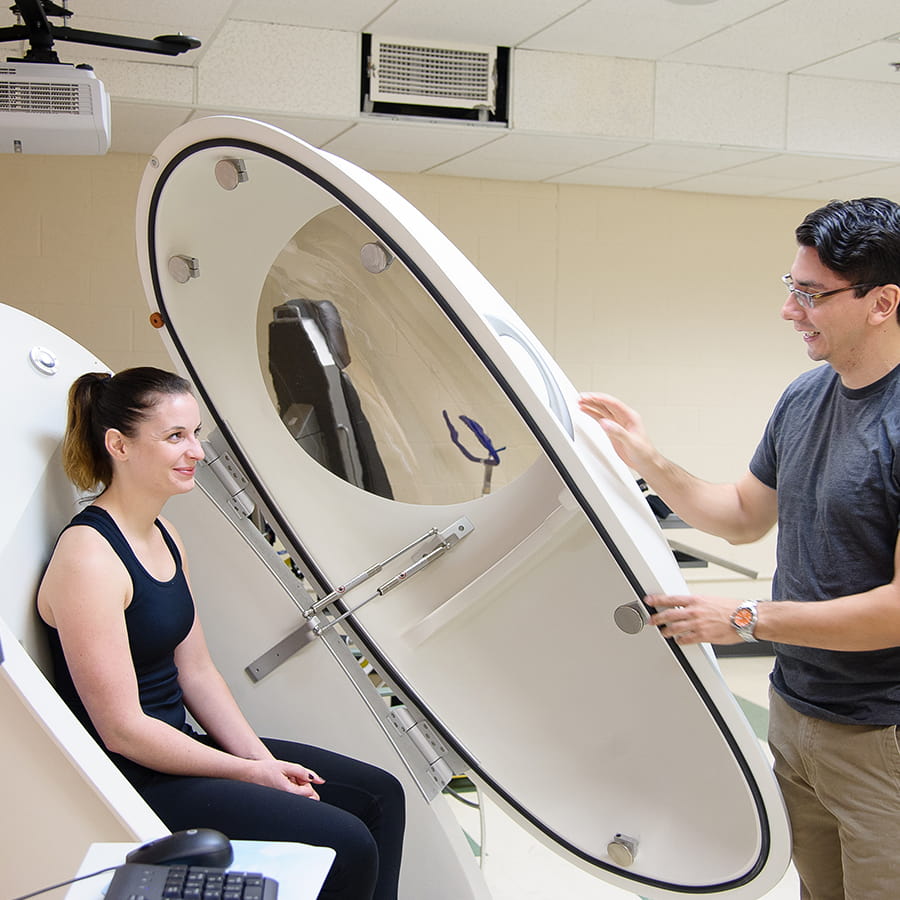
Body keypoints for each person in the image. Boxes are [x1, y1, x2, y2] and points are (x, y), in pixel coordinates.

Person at [579, 197, 900, 900]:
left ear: (882, 303)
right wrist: (647, 457)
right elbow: (742, 516)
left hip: (883, 738)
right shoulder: (807, 397)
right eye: (792, 288)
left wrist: (749, 618)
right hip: (797, 714)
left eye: (812, 295)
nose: (792, 311)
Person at [37, 367, 405, 900]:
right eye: (175, 437)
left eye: (194, 433)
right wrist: (250, 775)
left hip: (179, 751)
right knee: (345, 840)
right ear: (118, 444)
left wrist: (261, 761)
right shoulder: (88, 559)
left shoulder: (165, 535)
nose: (197, 451)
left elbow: (197, 672)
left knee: (380, 796)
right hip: (134, 778)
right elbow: (122, 731)